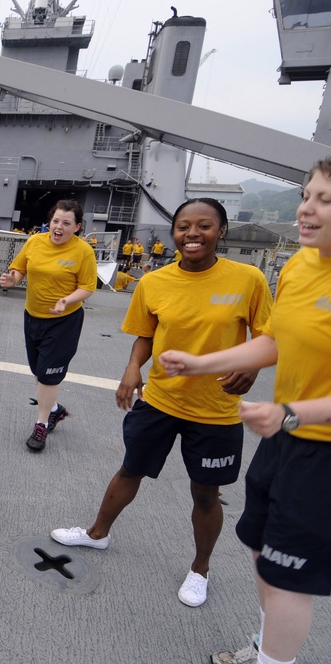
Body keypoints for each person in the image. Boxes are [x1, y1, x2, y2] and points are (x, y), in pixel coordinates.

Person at [51, 198, 272, 611]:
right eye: (184, 226)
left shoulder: (249, 279)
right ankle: (98, 533)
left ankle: (200, 569)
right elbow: (145, 335)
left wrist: (254, 370)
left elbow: (266, 335)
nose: (192, 234)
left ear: (221, 231)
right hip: (160, 399)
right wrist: (133, 367)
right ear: (173, 233)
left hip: (216, 409)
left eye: (204, 226)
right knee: (130, 469)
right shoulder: (155, 282)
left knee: (206, 493)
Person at [160, 162, 331, 664]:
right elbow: (273, 341)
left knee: (287, 576)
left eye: (325, 200)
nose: (306, 208)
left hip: (319, 452)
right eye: (307, 195)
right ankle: (265, 646)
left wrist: (290, 415)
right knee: (260, 547)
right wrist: (200, 363)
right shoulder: (301, 264)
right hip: (285, 439)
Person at [0, 200, 97, 451]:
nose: (59, 227)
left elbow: (87, 286)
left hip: (64, 321)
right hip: (33, 316)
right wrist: (13, 279)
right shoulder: (34, 242)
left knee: (48, 376)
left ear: (76, 227)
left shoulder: (83, 251)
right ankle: (54, 410)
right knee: (39, 370)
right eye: (56, 221)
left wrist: (67, 300)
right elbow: (20, 268)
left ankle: (41, 425)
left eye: (66, 223)